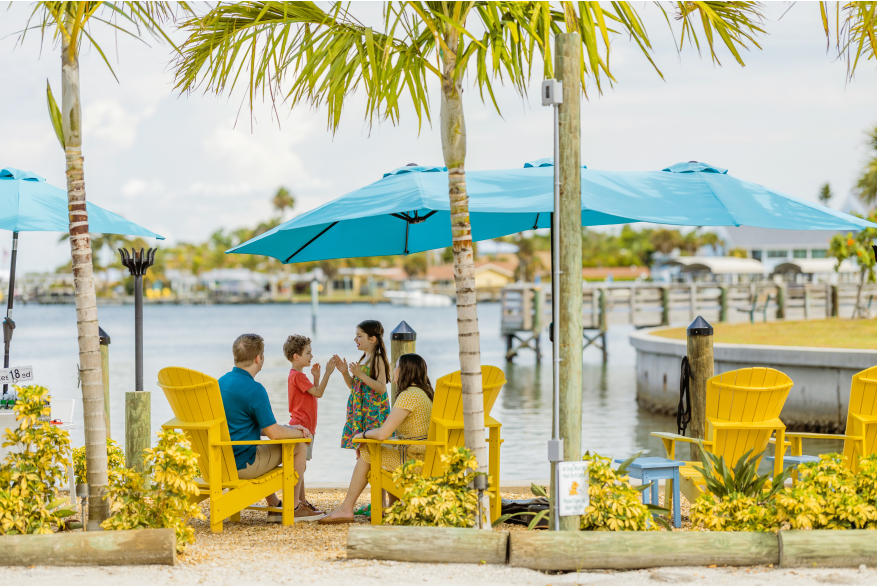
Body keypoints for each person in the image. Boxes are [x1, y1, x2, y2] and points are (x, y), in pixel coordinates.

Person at [218, 333, 322, 523]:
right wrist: (296, 432)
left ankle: (274, 506)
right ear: (259, 358)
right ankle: (294, 506)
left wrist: (285, 428)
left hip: (219, 460)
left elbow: (242, 426)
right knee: (298, 445)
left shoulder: (221, 383)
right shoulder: (255, 389)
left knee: (274, 443)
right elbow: (274, 434)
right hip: (242, 464)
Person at [319, 353, 434, 525]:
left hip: (414, 464)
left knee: (367, 450)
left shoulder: (409, 395)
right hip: (424, 459)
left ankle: (346, 508)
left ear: (405, 371)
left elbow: (382, 434)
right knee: (378, 450)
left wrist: (361, 436)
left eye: (396, 367)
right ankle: (393, 508)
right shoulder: (423, 394)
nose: (394, 370)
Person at [284, 333, 335, 516]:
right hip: (303, 426)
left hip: (303, 425)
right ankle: (297, 504)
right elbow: (319, 393)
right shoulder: (298, 376)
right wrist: (328, 373)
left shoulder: (297, 376)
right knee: (301, 466)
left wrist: (315, 377)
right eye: (308, 353)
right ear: (296, 356)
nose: (311, 356)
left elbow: (312, 393)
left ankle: (301, 502)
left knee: (301, 466)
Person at [334, 320, 391, 453]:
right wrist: (344, 372)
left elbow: (381, 388)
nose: (355, 339)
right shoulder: (363, 359)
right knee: (364, 448)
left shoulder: (377, 359)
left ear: (372, 339)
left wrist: (361, 375)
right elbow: (355, 388)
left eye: (359, 336)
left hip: (373, 411)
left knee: (373, 447)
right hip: (361, 410)